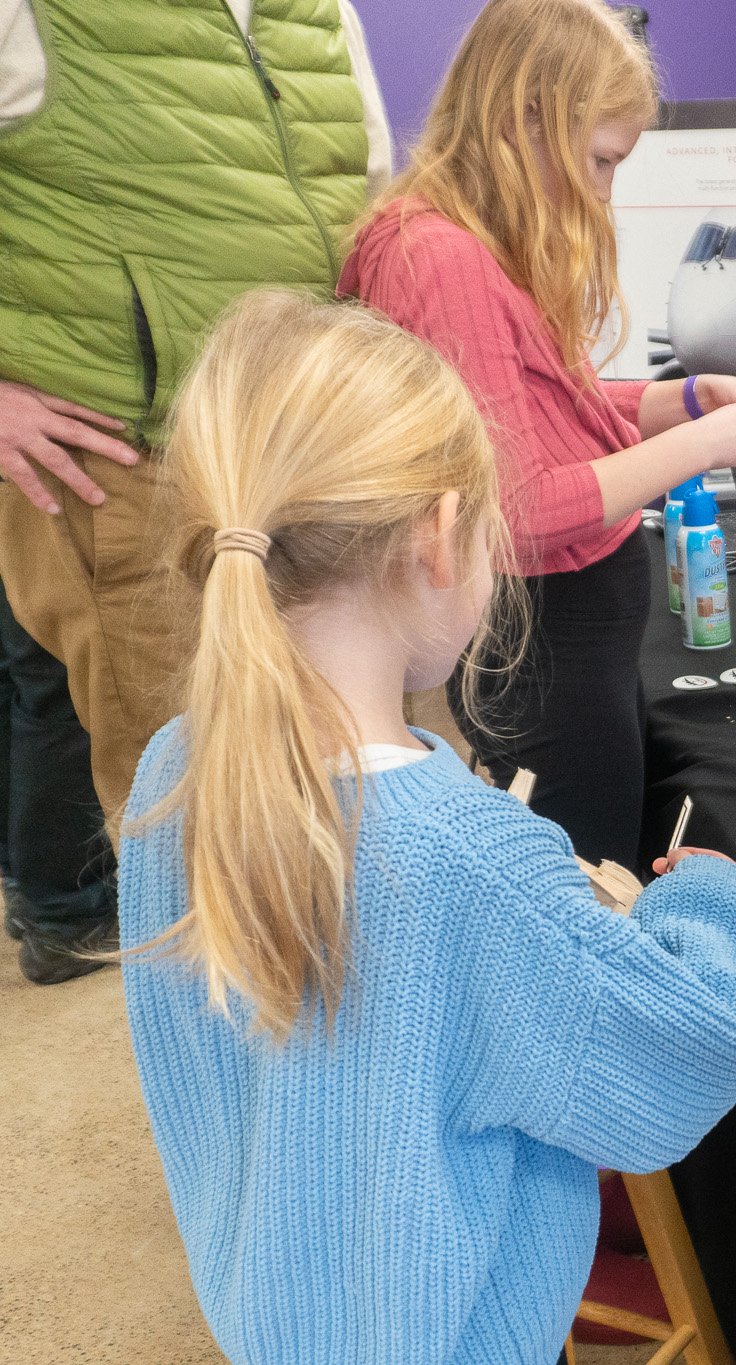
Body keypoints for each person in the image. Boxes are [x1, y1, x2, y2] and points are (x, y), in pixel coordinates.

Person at [121, 290, 736, 1365]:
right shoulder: (468, 859)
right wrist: (704, 897)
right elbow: (697, 1051)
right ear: (439, 535)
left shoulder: (171, 771)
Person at [0, 0, 391, 982]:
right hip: (129, 465)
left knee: (337, 782)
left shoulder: (321, 12)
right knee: (193, 822)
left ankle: (345, 1037)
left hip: (308, 452)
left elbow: (366, 197)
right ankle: (224, 1060)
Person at [343, 0, 736, 866]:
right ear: (527, 119)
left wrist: (684, 399)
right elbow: (517, 503)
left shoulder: (466, 242)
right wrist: (702, 445)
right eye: (600, 160)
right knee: (588, 876)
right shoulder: (443, 259)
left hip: (566, 647)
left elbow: (544, 406)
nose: (603, 191)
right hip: (545, 647)